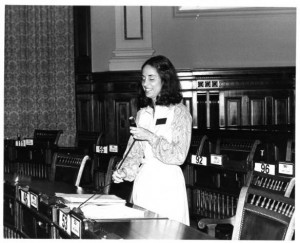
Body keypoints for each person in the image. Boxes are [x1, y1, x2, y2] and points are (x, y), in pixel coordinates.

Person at [112, 55, 192, 226]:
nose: (145, 84)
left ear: (165, 80)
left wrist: (150, 136)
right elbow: (133, 154)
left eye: (151, 78)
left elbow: (178, 156)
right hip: (144, 184)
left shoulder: (179, 112)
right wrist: (124, 172)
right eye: (143, 79)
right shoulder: (143, 114)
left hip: (168, 185)